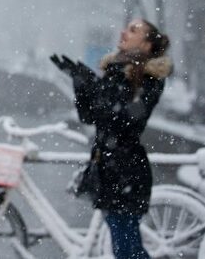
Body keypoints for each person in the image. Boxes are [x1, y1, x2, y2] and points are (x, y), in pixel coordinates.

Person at [51, 19, 172, 259]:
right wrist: (81, 84)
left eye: (134, 30)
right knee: (124, 248)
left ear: (147, 46)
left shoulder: (150, 79)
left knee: (127, 249)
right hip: (106, 167)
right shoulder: (115, 71)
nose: (124, 32)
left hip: (127, 170)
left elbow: (128, 119)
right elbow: (90, 116)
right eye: (127, 27)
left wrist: (95, 87)